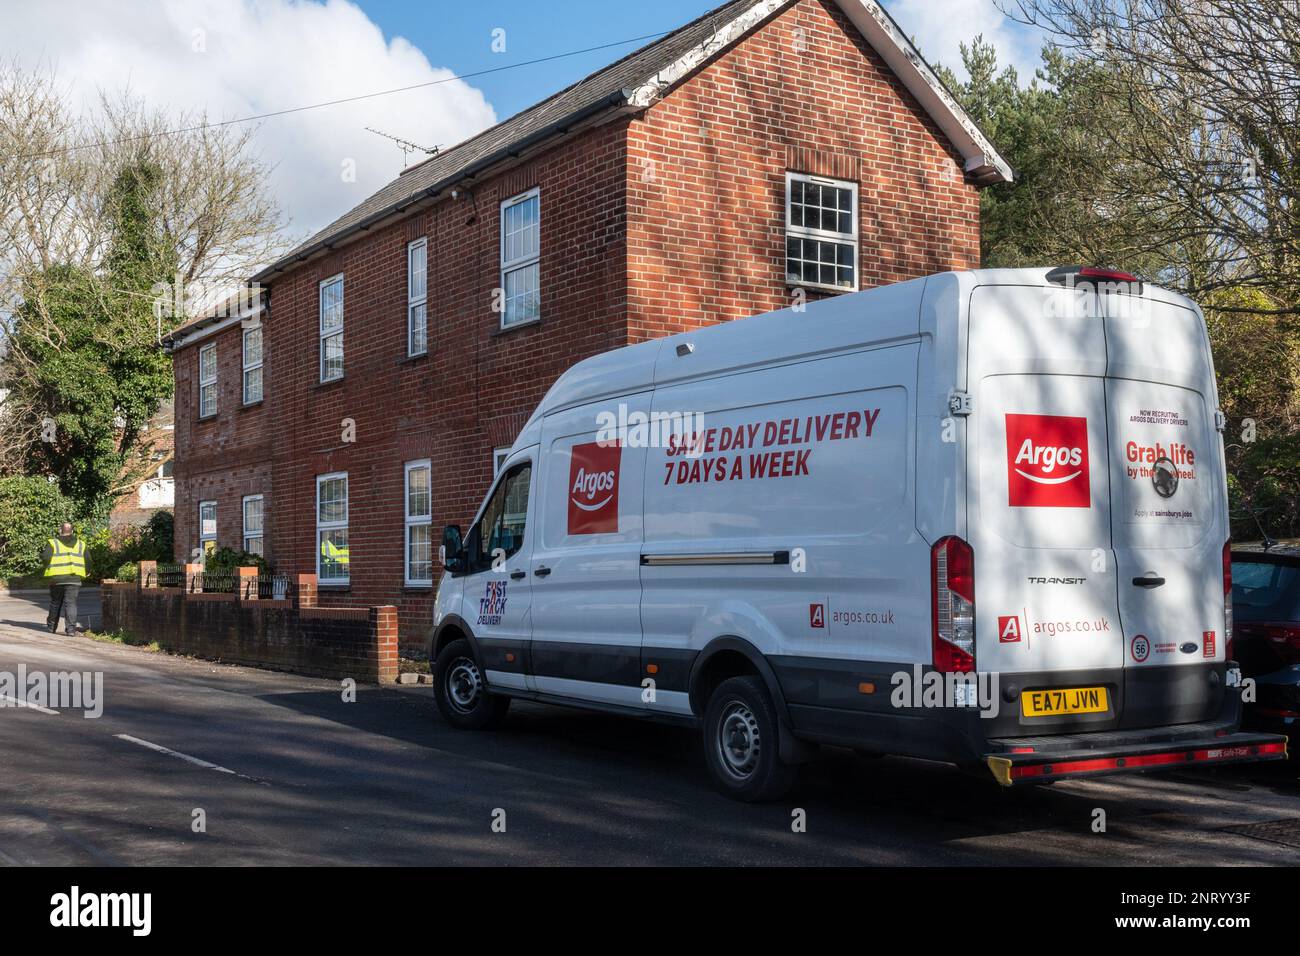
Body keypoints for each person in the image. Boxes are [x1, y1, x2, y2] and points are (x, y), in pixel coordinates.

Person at [41, 522, 86, 636]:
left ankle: (51, 628)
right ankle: (70, 630)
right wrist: (88, 571)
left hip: (56, 579)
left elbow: (45, 557)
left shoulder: (53, 543)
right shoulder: (81, 544)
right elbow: (89, 560)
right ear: (72, 531)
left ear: (60, 531)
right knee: (71, 604)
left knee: (55, 603)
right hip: (74, 579)